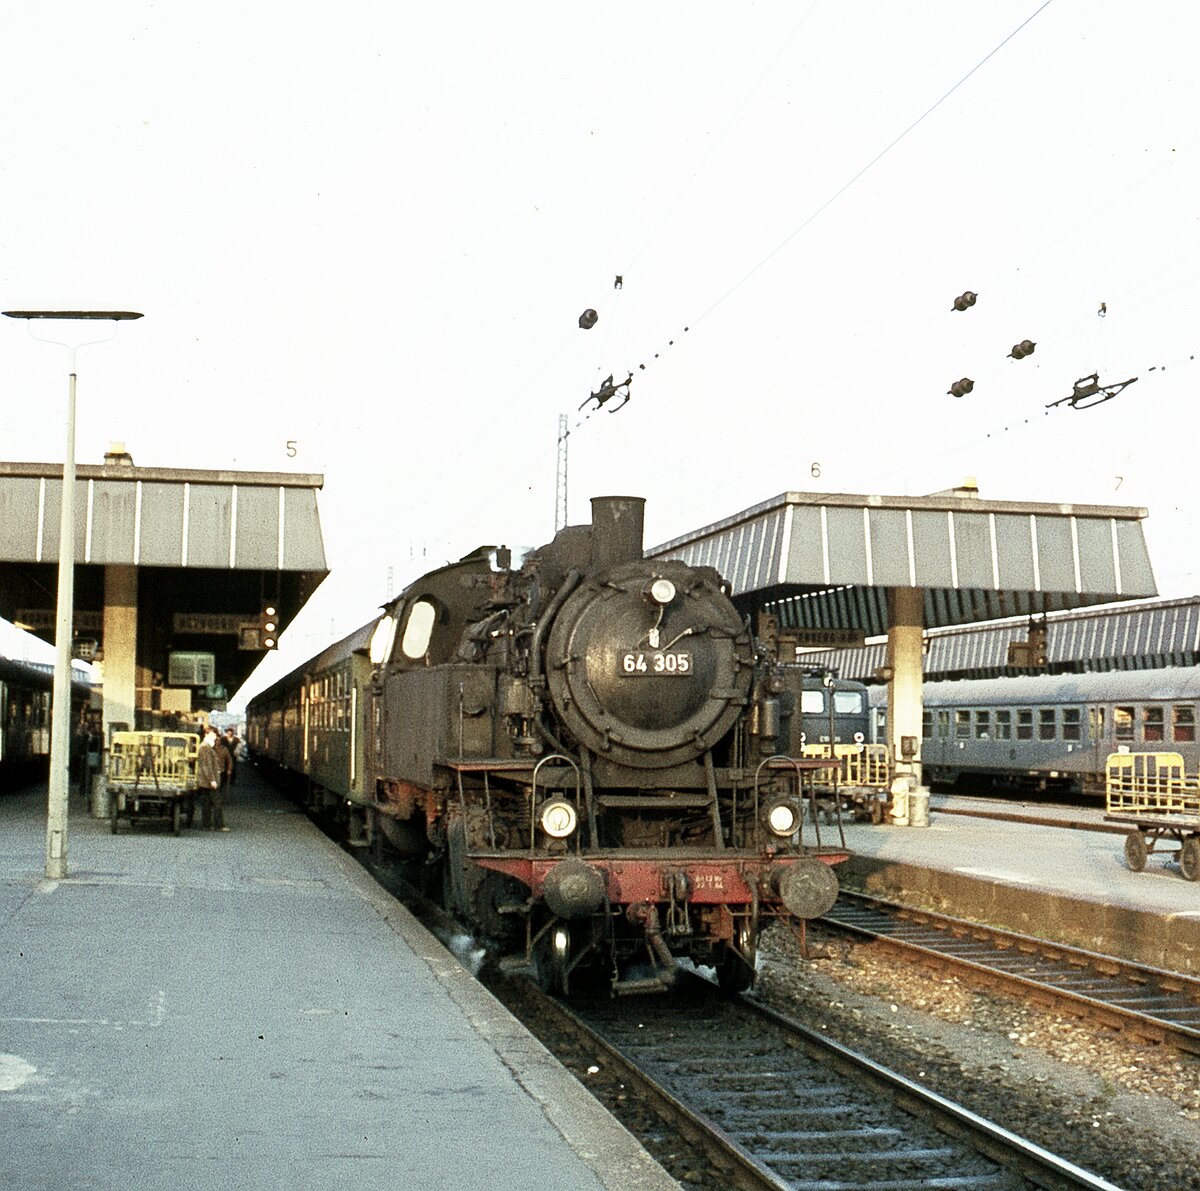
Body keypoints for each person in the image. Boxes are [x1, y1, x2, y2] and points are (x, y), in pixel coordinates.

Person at [196, 728, 223, 830]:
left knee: (206, 803)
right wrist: (212, 780)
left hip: (205, 781)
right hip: (208, 781)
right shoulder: (205, 748)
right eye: (213, 734)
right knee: (217, 802)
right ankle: (219, 825)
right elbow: (206, 766)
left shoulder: (206, 747)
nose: (215, 737)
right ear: (206, 735)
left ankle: (206, 825)